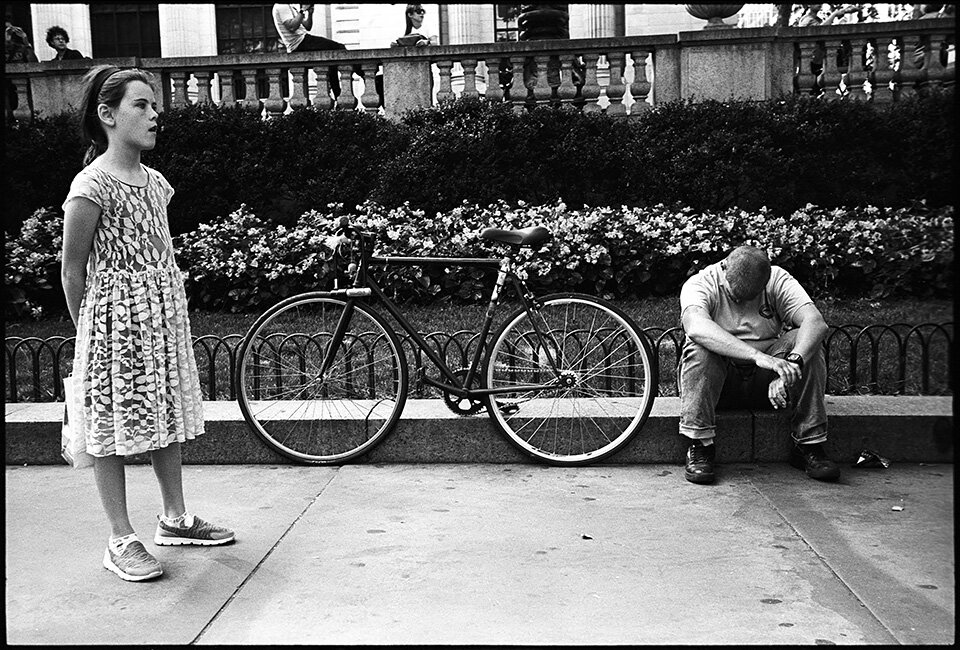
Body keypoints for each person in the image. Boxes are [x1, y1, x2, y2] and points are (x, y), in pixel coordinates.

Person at [61, 64, 234, 582]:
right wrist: (89, 335)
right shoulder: (92, 185)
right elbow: (72, 269)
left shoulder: (157, 183)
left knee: (163, 412)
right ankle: (120, 536)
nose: (155, 114)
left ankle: (174, 517)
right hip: (111, 325)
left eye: (154, 105)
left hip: (159, 319)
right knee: (110, 424)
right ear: (108, 115)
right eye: (141, 105)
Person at [677, 245, 840, 485]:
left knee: (807, 342)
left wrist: (792, 363)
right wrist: (757, 356)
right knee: (700, 346)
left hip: (770, 384)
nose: (741, 302)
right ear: (724, 268)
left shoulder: (778, 279)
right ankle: (700, 445)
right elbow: (695, 326)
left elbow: (816, 322)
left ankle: (809, 445)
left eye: (750, 297)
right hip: (721, 384)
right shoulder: (700, 283)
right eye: (735, 295)